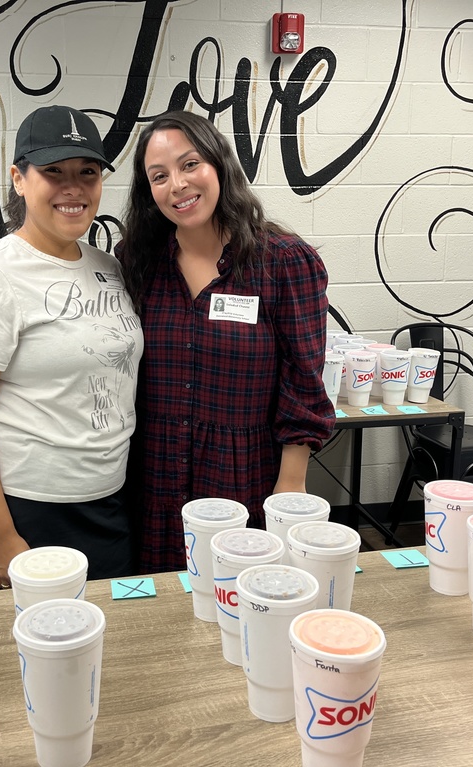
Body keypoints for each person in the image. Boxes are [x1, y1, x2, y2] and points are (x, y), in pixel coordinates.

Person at [117, 111, 335, 573]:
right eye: (159, 176)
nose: (177, 184)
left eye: (189, 164)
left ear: (219, 164)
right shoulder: (139, 263)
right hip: (154, 477)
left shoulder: (283, 262)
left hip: (244, 476)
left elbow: (303, 379)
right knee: (164, 604)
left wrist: (291, 482)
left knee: (239, 596)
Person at [0, 105, 143, 590]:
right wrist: (2, 537)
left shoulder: (108, 267)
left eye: (87, 172)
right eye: (54, 172)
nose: (74, 188)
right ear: (19, 179)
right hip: (25, 507)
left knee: (106, 629)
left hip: (107, 497)